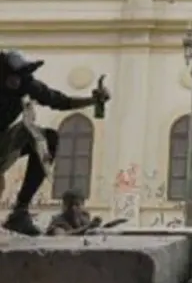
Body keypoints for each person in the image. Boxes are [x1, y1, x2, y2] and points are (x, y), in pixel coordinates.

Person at [0, 50, 110, 236]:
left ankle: (20, 211)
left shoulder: (26, 84)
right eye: (11, 77)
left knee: (46, 137)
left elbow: (60, 101)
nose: (15, 82)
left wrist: (93, 100)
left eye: (19, 78)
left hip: (3, 141)